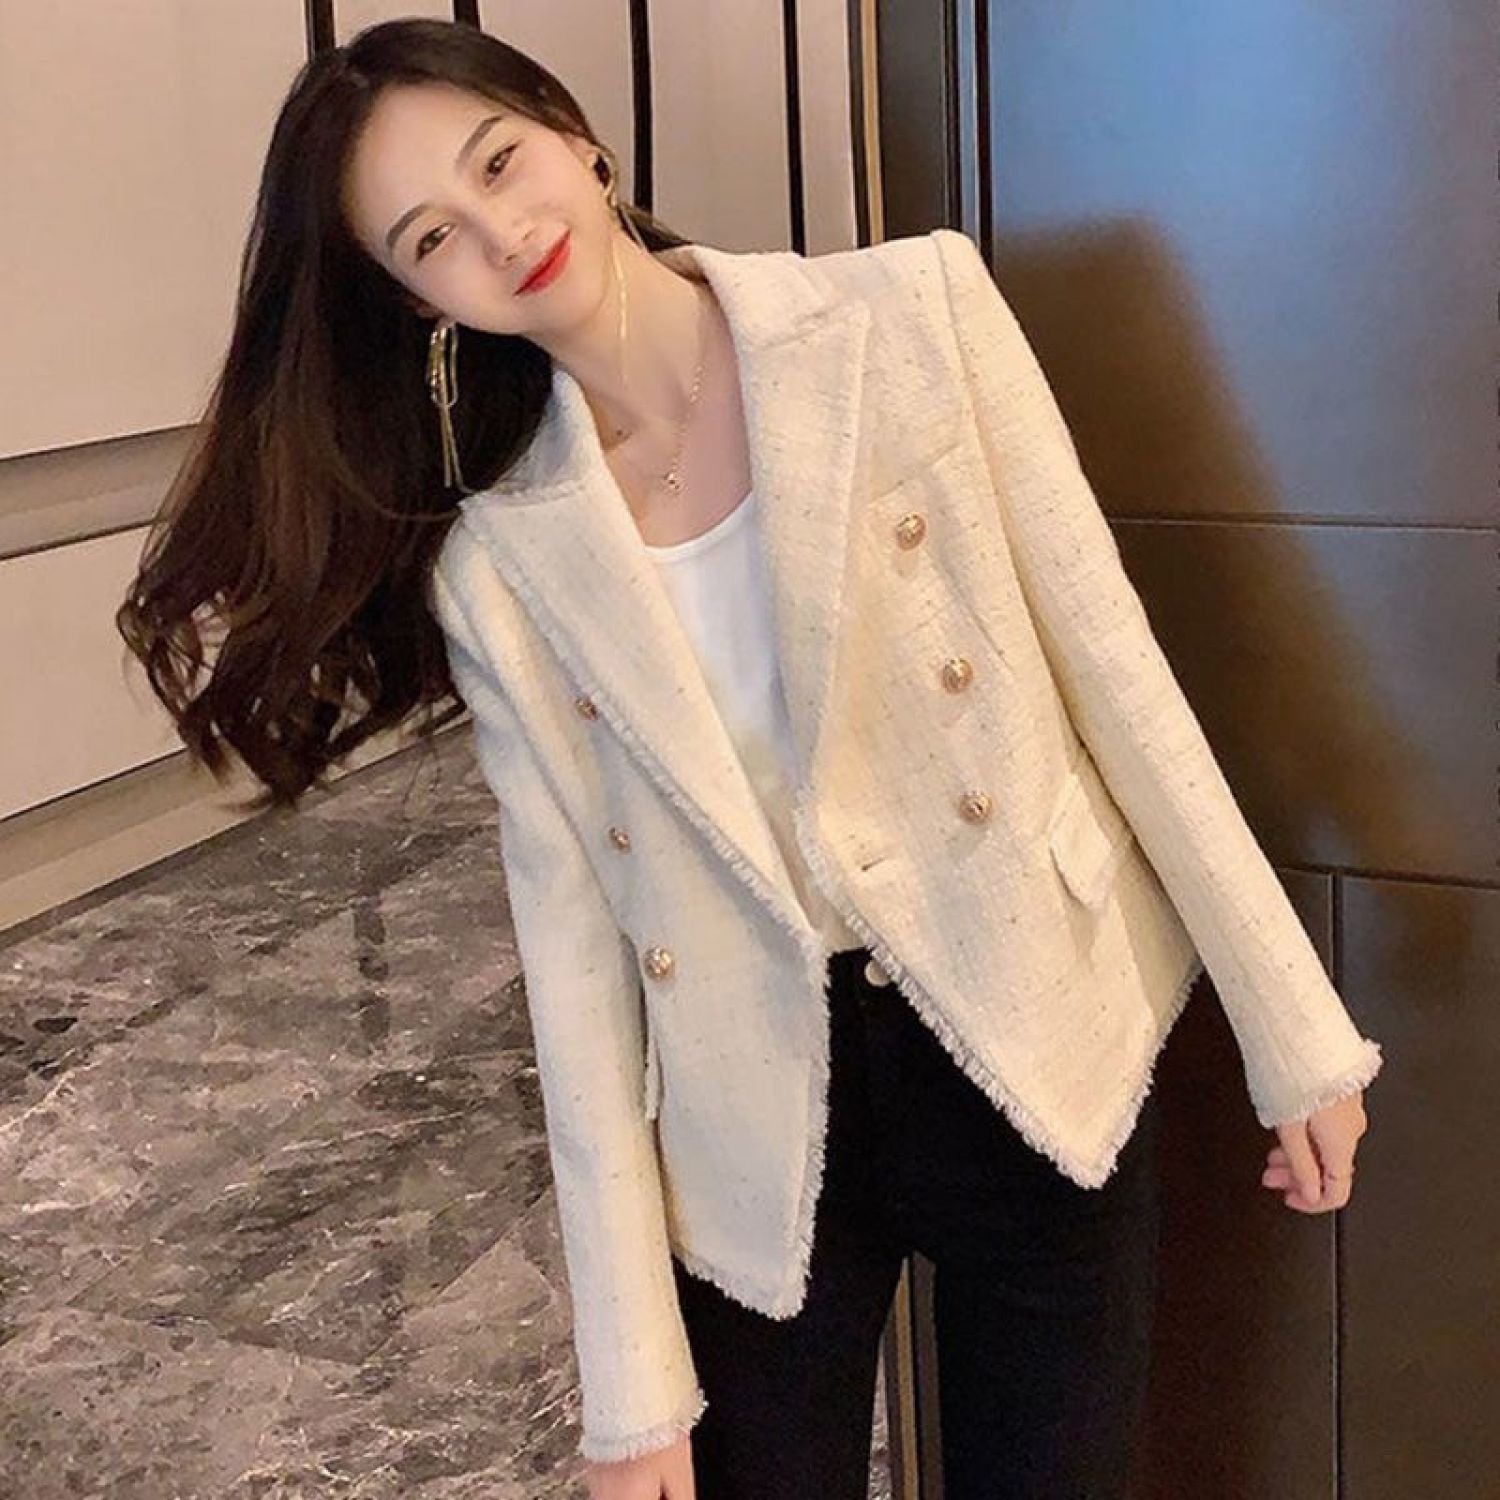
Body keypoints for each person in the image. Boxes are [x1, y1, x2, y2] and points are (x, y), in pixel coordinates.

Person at [116, 17, 1381, 1500]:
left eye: (499, 162)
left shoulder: (913, 312)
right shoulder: (503, 567)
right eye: (432, 237)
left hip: (1030, 1014)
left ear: (575, 134)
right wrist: (631, 1393)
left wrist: (1294, 1030)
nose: (500, 232)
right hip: (756, 1105)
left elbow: (1117, 675)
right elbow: (576, 962)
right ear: (417, 303)